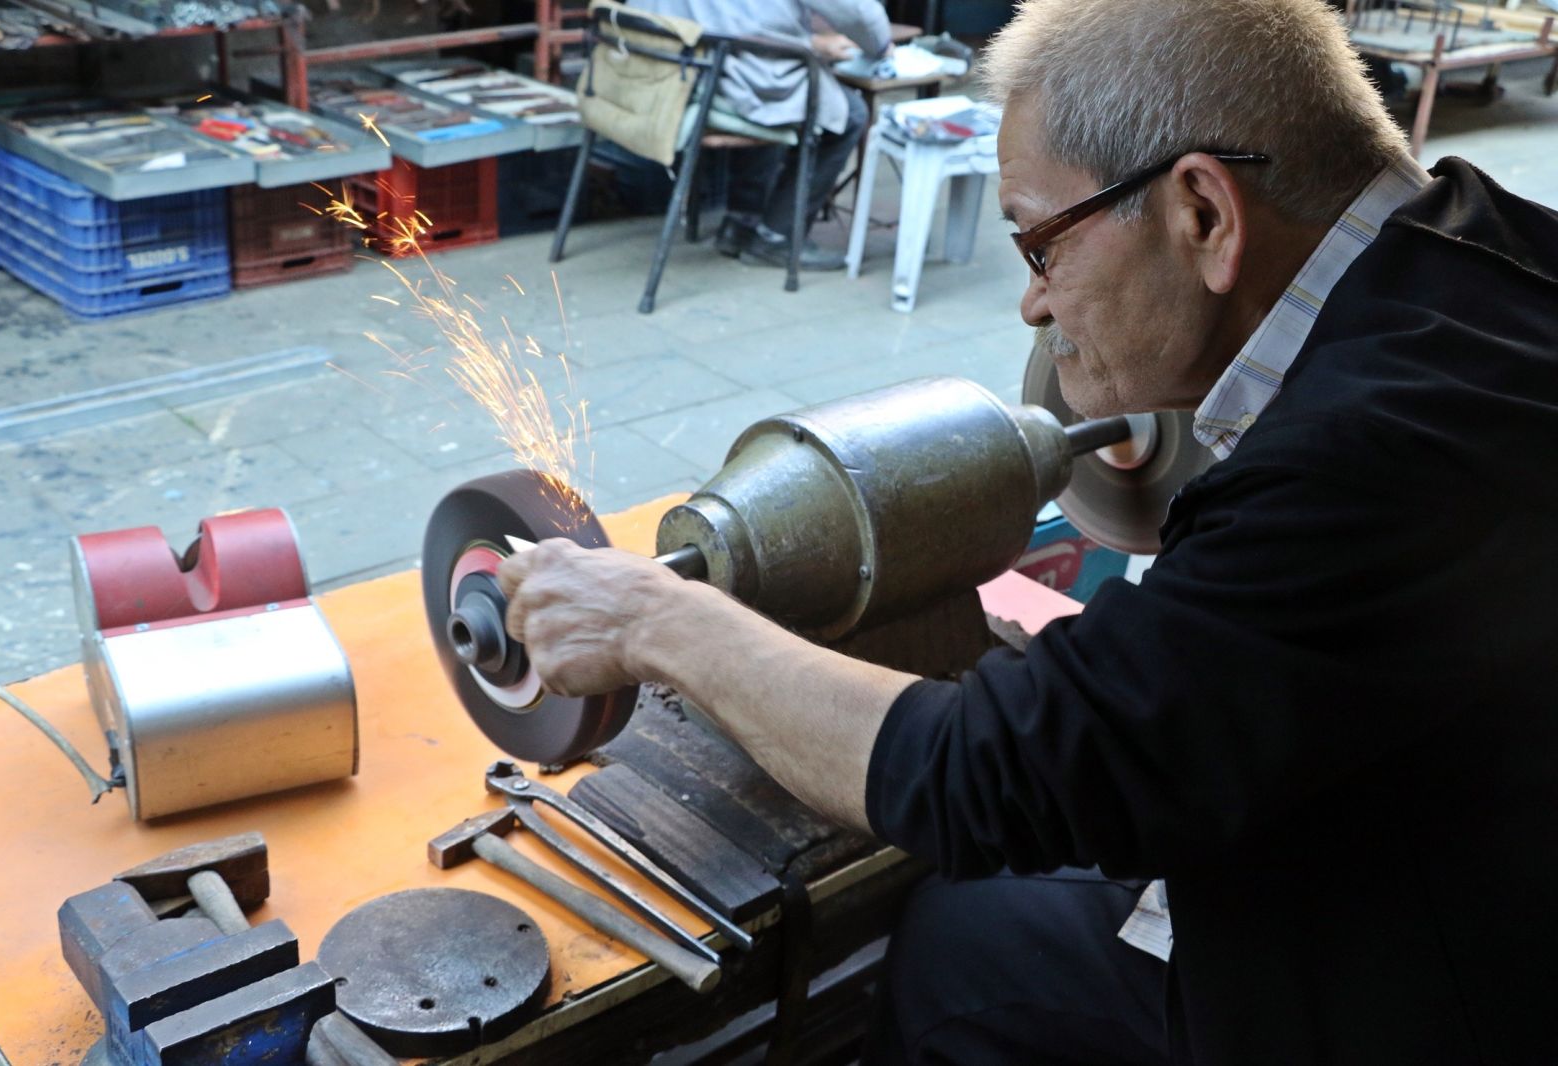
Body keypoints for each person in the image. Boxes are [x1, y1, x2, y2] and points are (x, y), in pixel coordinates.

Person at [500, 0, 1558, 1061]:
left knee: (964, 961)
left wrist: (656, 621)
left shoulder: (1373, 453)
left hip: (1413, 981)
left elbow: (993, 777)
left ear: (1203, 212)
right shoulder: (1486, 247)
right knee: (971, 933)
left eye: (1041, 247)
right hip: (1422, 826)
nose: (1033, 308)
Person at [632, 0, 892, 270]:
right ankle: (776, 236)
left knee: (780, 93)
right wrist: (880, 45)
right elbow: (858, 13)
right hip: (732, 78)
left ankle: (743, 221)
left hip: (673, 77)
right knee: (848, 115)